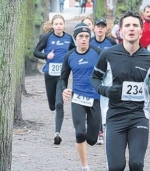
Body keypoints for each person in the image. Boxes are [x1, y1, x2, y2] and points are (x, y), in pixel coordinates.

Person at [90, 11, 150, 171]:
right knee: (116, 166)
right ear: (121, 30)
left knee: (136, 164)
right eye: (127, 25)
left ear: (141, 30)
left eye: (135, 25)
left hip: (139, 116)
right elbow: (94, 79)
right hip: (114, 116)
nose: (131, 28)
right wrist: (106, 90)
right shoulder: (108, 54)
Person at [60, 23, 102, 171]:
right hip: (77, 98)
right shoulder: (69, 56)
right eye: (80, 37)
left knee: (91, 139)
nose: (84, 39)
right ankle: (85, 167)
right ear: (75, 38)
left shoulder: (98, 52)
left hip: (95, 98)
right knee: (80, 133)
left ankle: (93, 138)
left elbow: (108, 72)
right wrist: (64, 90)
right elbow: (63, 78)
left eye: (86, 36)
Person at [33, 14, 76, 145]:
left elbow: (74, 52)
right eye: (56, 24)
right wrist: (47, 55)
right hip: (49, 74)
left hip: (62, 76)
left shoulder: (69, 38)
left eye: (60, 24)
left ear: (64, 25)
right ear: (53, 25)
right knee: (53, 105)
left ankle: (57, 133)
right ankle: (54, 107)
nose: (58, 26)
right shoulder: (47, 37)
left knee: (59, 104)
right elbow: (36, 52)